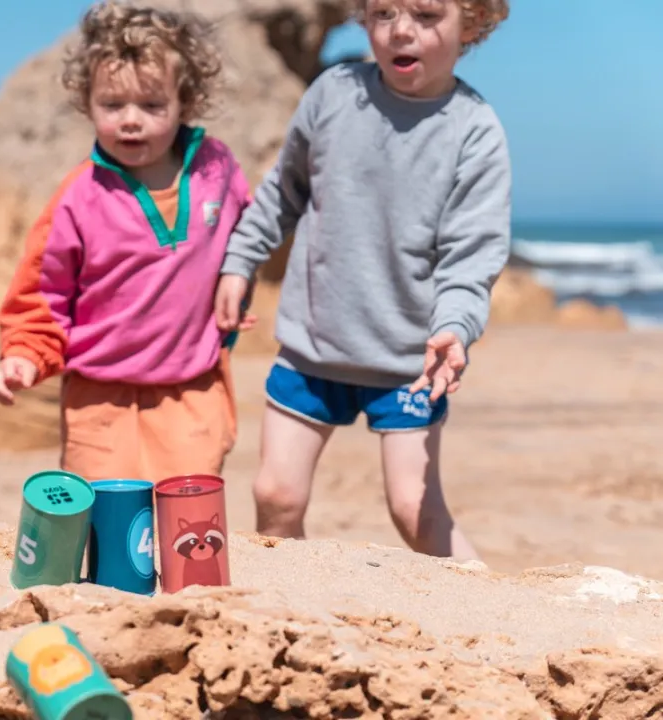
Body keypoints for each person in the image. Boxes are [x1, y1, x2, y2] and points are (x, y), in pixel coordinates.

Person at [214, 0, 512, 560]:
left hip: (408, 363)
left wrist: (455, 326)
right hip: (313, 348)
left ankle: (497, 613)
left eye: (425, 16)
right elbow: (283, 191)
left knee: (413, 509)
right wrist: (240, 259)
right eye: (382, 14)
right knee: (274, 495)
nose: (401, 30)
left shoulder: (475, 130)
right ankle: (290, 609)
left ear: (470, 22)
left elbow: (470, 257)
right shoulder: (333, 93)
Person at [0, 0, 256, 483]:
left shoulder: (218, 169)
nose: (130, 120)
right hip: (99, 394)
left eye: (152, 105)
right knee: (109, 523)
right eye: (112, 106)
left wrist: (238, 290)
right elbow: (42, 292)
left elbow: (253, 234)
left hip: (192, 387)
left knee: (188, 524)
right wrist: (24, 354)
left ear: (185, 103)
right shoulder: (79, 197)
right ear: (87, 103)